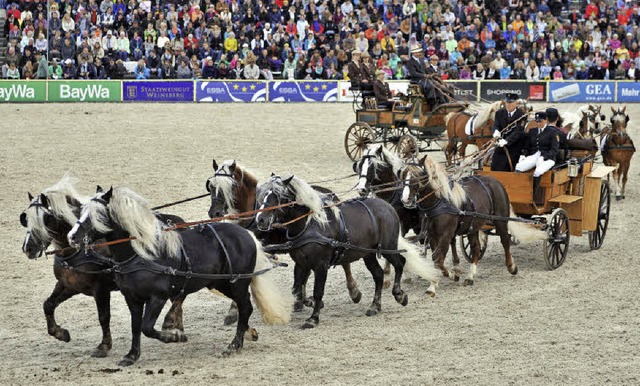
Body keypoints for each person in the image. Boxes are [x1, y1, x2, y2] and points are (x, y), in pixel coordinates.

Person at [515, 111, 559, 204]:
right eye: (537, 121)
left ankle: (532, 197)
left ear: (546, 120)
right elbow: (527, 146)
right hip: (535, 155)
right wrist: (524, 154)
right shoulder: (533, 131)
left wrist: (544, 157)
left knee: (538, 172)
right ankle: (518, 192)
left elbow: (554, 150)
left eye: (540, 121)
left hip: (548, 158)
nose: (538, 123)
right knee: (519, 167)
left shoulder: (553, 132)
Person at [490, 93, 527, 172]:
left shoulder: (522, 115)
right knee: (495, 162)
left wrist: (507, 141)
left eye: (510, 103)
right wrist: (495, 132)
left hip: (515, 144)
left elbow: (518, 131)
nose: (508, 105)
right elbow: (496, 125)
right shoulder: (499, 113)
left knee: (511, 164)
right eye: (507, 102)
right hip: (500, 142)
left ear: (516, 103)